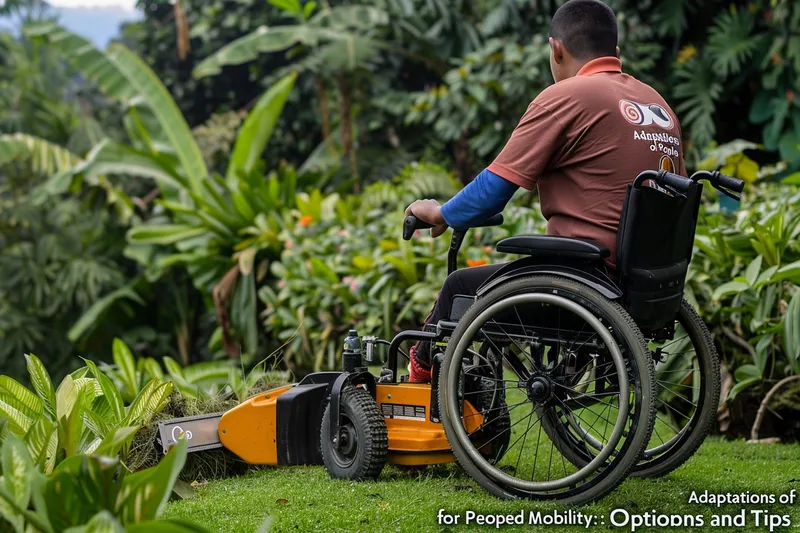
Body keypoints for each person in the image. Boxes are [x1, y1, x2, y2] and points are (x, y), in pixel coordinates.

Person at [404, 0, 686, 382]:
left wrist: (441, 213)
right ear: (615, 53)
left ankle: (418, 377)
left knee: (458, 287)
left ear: (555, 49)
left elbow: (494, 188)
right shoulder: (658, 105)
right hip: (647, 280)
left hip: (581, 279)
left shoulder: (567, 97)